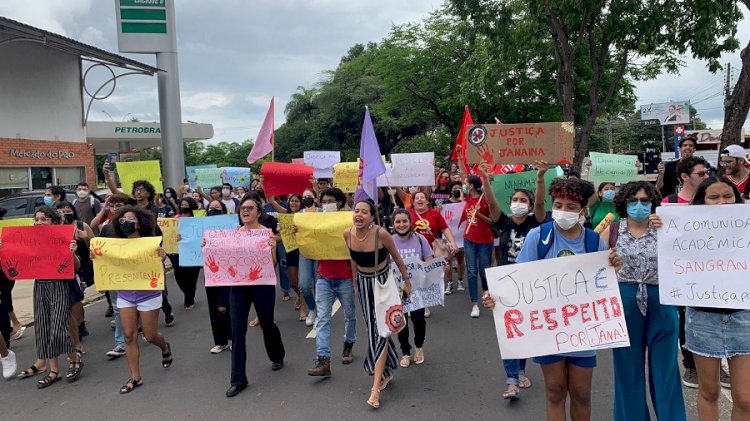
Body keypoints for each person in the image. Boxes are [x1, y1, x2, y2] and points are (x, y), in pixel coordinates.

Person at [483, 177, 622, 421]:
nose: (564, 211)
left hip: (582, 329)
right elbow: (518, 280)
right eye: (559, 205)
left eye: (571, 206)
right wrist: (496, 298)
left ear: (582, 209)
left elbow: (603, 286)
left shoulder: (593, 241)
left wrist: (614, 269)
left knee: (581, 393)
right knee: (555, 390)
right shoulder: (538, 236)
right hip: (548, 329)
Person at [663, 177, 749, 420]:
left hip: (744, 318)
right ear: (702, 200)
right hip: (702, 320)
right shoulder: (685, 229)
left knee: (745, 397)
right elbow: (670, 257)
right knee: (709, 391)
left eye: (727, 196)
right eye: (713, 197)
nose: (721, 202)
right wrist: (660, 226)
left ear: (736, 198)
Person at [604, 181, 686, 420]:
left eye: (644, 201)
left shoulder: (665, 226)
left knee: (666, 370)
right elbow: (590, 262)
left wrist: (671, 228)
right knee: (627, 369)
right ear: (624, 203)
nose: (638, 205)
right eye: (633, 201)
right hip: (626, 300)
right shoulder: (612, 229)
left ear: (653, 203)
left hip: (661, 299)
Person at [90, 206, 172, 394]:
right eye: (122, 219)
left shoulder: (150, 244)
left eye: (130, 219)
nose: (126, 222)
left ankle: (164, 347)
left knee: (150, 336)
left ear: (140, 222)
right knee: (128, 335)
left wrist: (162, 256)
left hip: (148, 295)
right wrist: (96, 256)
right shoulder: (115, 246)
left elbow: (157, 267)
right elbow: (104, 262)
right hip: (125, 295)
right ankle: (135, 377)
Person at [344, 199, 411, 409]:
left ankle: (375, 388)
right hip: (364, 285)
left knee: (380, 331)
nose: (359, 215)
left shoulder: (381, 234)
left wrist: (407, 282)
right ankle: (389, 368)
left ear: (372, 217)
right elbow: (352, 259)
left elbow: (397, 258)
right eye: (357, 211)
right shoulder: (347, 234)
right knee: (373, 328)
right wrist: (355, 282)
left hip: (383, 283)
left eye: (364, 212)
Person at [10, 206, 83, 388]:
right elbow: (15, 257)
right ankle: (53, 370)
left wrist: (72, 251)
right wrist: (5, 247)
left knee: (58, 328)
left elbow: (77, 266)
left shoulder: (63, 238)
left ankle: (75, 357)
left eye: (44, 219)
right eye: (37, 219)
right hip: (40, 286)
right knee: (43, 328)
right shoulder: (30, 241)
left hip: (59, 285)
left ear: (54, 221)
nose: (40, 222)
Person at [495, 161, 550, 400]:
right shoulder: (503, 221)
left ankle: (521, 369)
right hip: (505, 283)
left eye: (523, 201)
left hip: (530, 283)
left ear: (529, 206)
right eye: (514, 200)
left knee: (524, 329)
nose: (518, 203)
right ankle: (511, 380)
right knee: (508, 331)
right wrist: (486, 180)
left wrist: (539, 179)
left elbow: (540, 203)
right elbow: (490, 201)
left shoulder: (535, 222)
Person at [222, 196, 285, 398]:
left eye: (250, 208)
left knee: (267, 323)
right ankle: (238, 379)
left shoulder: (266, 234)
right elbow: (220, 257)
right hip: (239, 287)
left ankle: (277, 355)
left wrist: (271, 248)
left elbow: (272, 262)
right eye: (242, 208)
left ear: (259, 212)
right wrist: (207, 245)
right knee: (237, 331)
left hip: (262, 285)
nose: (245, 211)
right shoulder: (231, 235)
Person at [307, 188, 358, 377]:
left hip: (345, 277)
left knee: (350, 315)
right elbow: (307, 239)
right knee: (323, 319)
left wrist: (354, 280)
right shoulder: (316, 220)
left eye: (331, 200)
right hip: (324, 277)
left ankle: (348, 345)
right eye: (324, 200)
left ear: (339, 202)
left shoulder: (348, 219)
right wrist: (297, 231)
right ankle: (323, 359)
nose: (327, 203)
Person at [391, 209, 432, 368]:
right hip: (398, 289)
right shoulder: (390, 241)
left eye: (404, 221)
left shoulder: (420, 239)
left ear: (410, 222)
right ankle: (405, 353)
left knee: (419, 320)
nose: (401, 225)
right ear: (393, 224)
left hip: (418, 289)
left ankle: (419, 347)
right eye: (398, 222)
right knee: (401, 322)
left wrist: (438, 267)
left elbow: (428, 260)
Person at [461, 163, 501, 318]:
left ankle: (487, 294)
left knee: (484, 271)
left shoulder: (486, 200)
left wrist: (479, 215)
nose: (464, 185)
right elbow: (463, 170)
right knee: (471, 272)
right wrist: (459, 155)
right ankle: (474, 304)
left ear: (471, 186)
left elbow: (493, 221)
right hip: (469, 238)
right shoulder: (468, 197)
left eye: (465, 184)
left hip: (485, 240)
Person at [268, 193, 308, 321]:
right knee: (294, 283)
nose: (294, 203)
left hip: (303, 251)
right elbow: (271, 201)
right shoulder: (285, 215)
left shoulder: (305, 216)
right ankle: (299, 296)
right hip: (290, 251)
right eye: (292, 201)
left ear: (301, 203)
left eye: (296, 201)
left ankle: (303, 309)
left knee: (302, 283)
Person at [171, 197, 201, 310]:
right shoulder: (175, 219)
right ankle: (190, 291)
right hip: (179, 252)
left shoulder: (197, 219)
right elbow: (170, 234)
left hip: (193, 252)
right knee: (179, 276)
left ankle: (189, 299)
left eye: (186, 204)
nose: (184, 206)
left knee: (192, 276)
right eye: (182, 204)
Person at [297, 188, 319, 327]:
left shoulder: (323, 213)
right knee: (304, 285)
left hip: (320, 252)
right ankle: (312, 308)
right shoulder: (298, 215)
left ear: (315, 198)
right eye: (304, 197)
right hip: (304, 252)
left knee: (319, 284)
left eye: (309, 196)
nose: (306, 199)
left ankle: (319, 312)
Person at [445, 181, 466, 294]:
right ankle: (449, 283)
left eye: (459, 188)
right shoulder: (445, 204)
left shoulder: (465, 203)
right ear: (451, 190)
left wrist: (462, 201)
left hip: (461, 236)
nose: (457, 190)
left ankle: (460, 280)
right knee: (447, 259)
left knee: (460, 259)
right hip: (448, 237)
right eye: (455, 188)